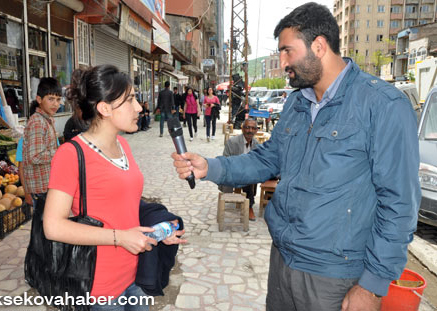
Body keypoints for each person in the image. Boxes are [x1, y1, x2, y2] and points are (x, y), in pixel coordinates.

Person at [171, 3, 420, 311]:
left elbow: (399, 204)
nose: (283, 61)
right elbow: (265, 160)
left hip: (335, 277)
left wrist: (372, 286)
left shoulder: (382, 105)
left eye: (288, 51)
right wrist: (210, 166)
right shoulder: (296, 104)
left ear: (319, 45)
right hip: (283, 262)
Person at [43, 65, 186, 310]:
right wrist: (120, 238)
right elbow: (53, 227)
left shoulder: (123, 146)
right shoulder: (71, 154)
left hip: (137, 273)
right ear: (104, 108)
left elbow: (127, 206)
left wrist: (158, 231)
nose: (139, 108)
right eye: (130, 100)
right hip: (99, 286)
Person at [22, 77, 62, 209]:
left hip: (46, 184)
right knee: (42, 226)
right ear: (39, 99)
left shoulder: (46, 120)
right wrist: (60, 153)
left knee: (43, 226)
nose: (55, 104)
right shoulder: (37, 122)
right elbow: (35, 156)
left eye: (58, 99)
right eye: (51, 99)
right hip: (40, 188)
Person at [220, 118, 259, 221]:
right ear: (242, 129)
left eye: (253, 128)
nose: (250, 130)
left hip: (248, 175)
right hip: (233, 172)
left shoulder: (257, 145)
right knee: (247, 176)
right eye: (247, 127)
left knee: (249, 176)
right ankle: (249, 206)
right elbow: (225, 159)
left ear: (256, 130)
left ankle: (249, 206)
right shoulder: (232, 142)